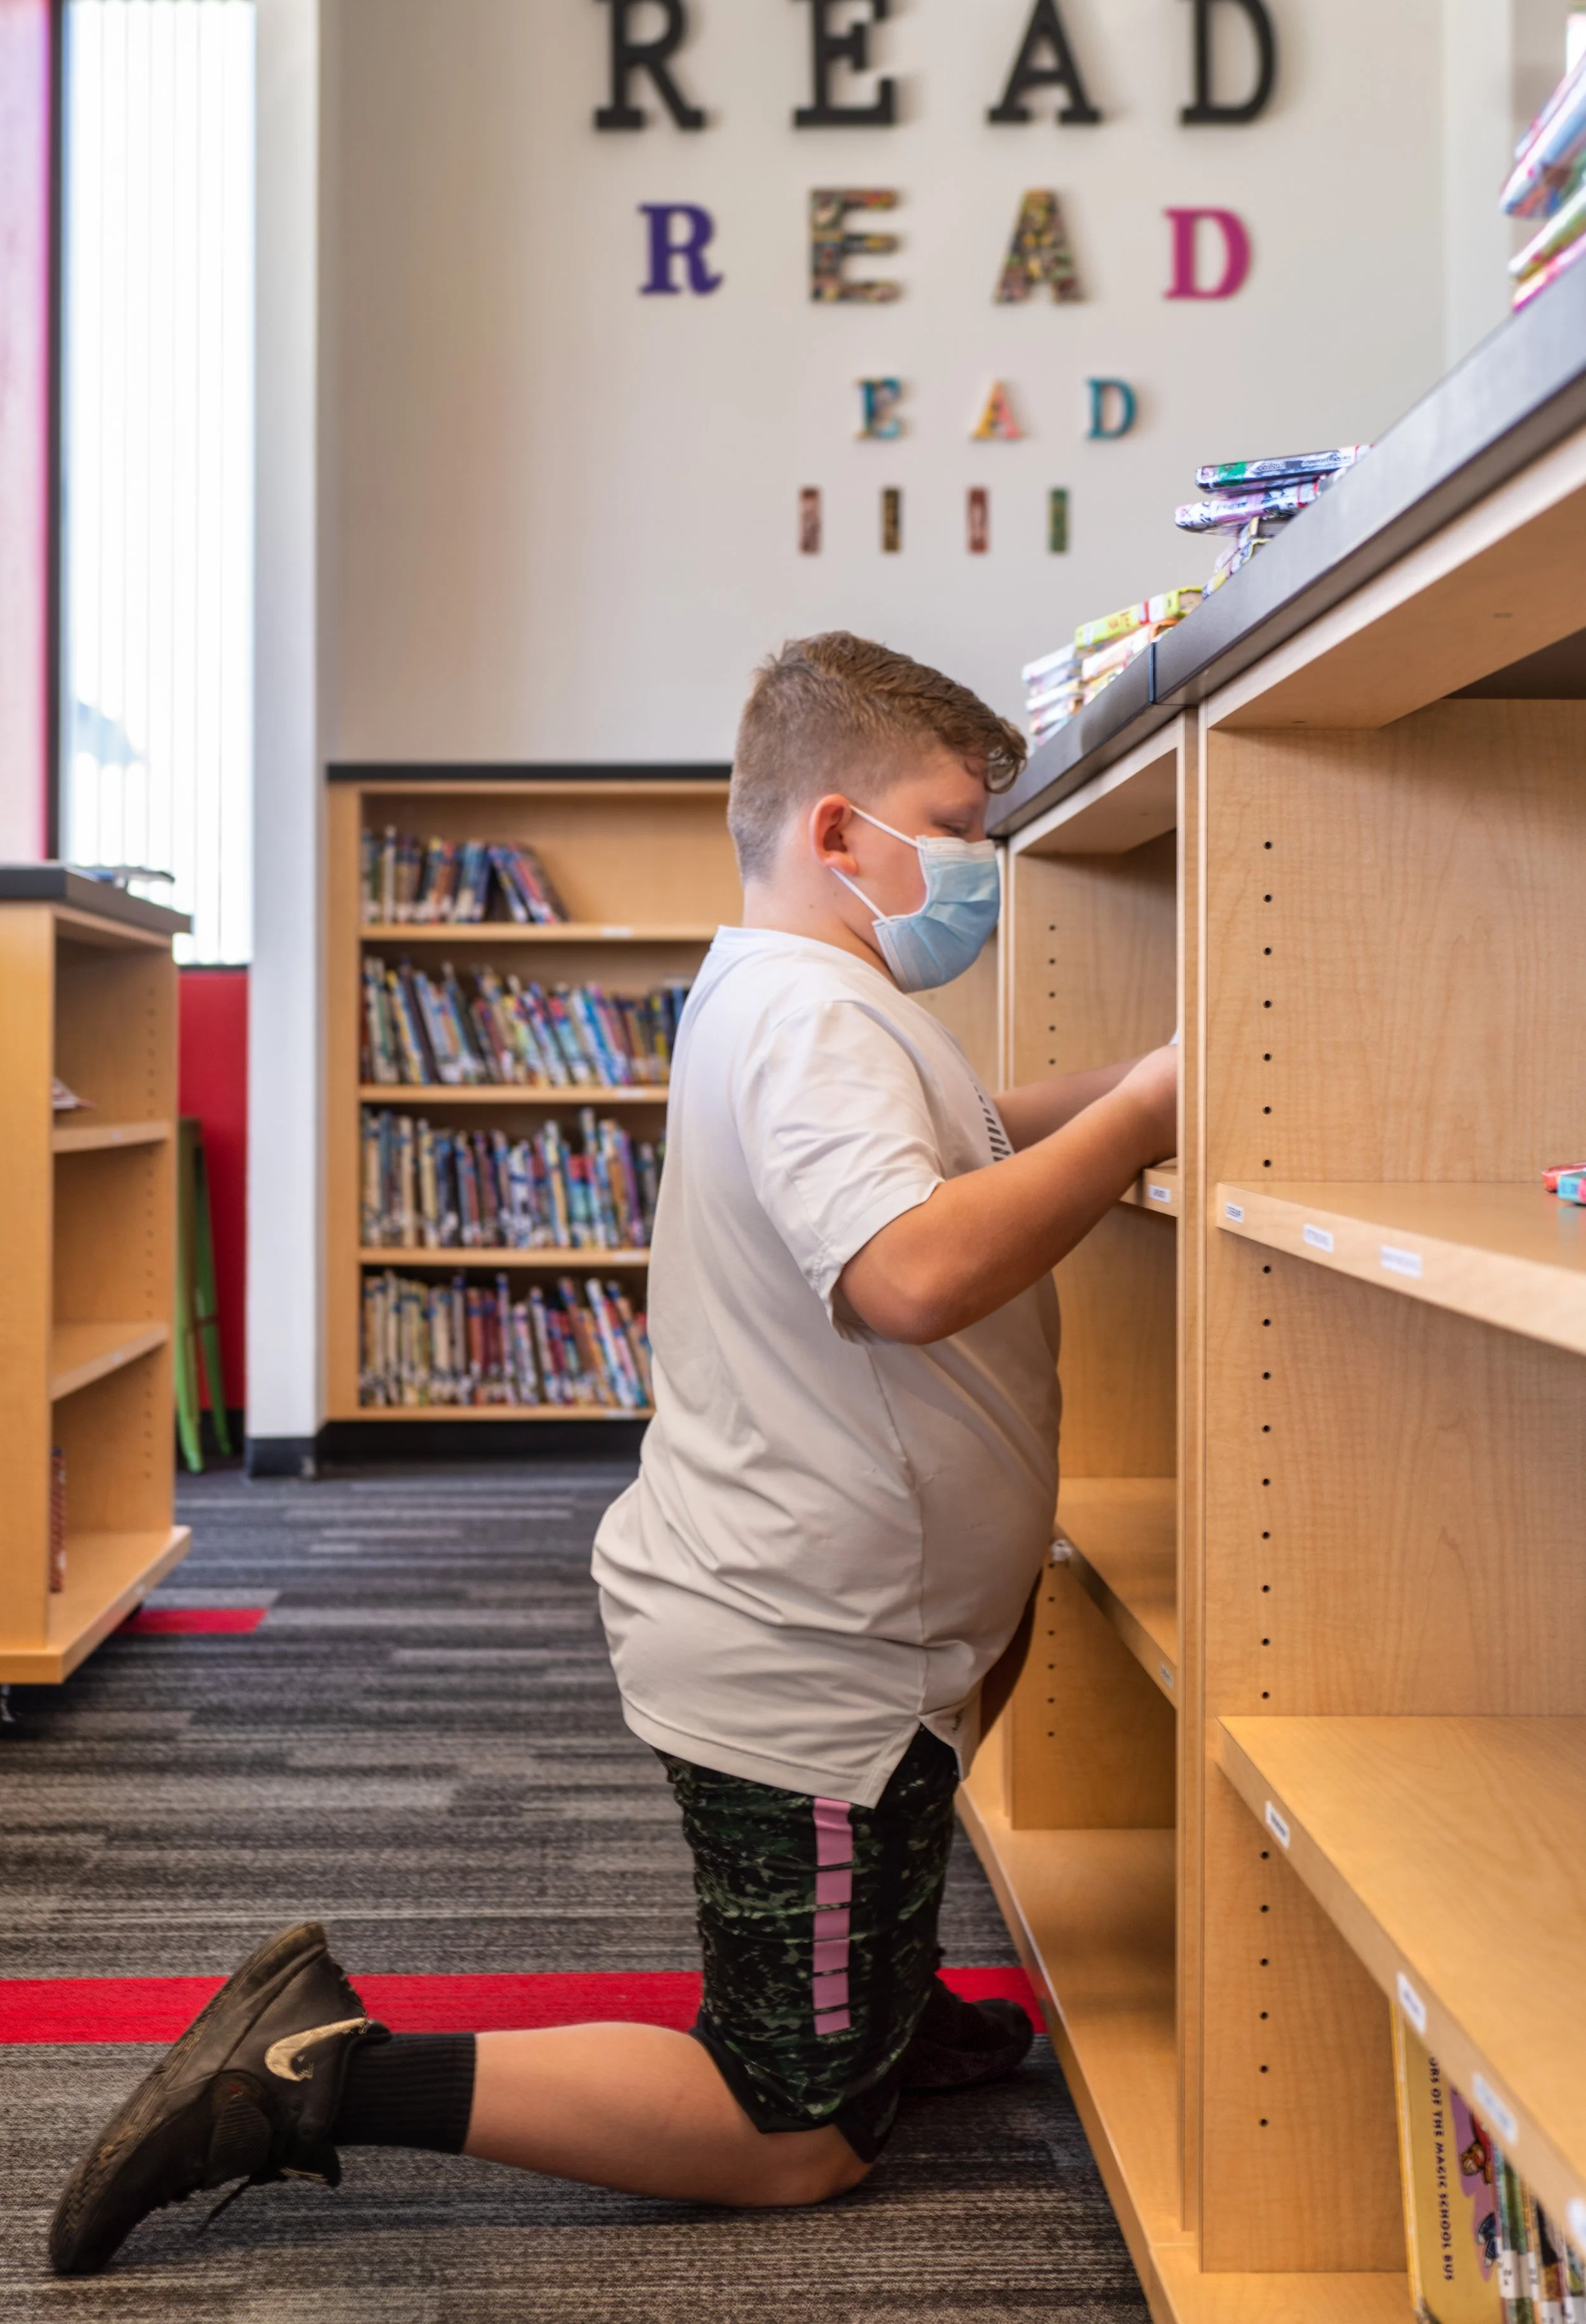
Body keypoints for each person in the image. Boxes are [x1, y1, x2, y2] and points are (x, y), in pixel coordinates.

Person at [49, 633, 1177, 2275]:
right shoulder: (813, 1022)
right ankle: (317, 2069)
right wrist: (1142, 1116)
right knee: (789, 2132)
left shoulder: (806, 992)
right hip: (805, 1651)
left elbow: (967, 1135)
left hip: (840, 1619)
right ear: (841, 831)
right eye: (955, 822)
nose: (979, 867)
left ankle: (880, 1994)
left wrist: (1141, 1090)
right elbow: (912, 1267)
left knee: (901, 1825)